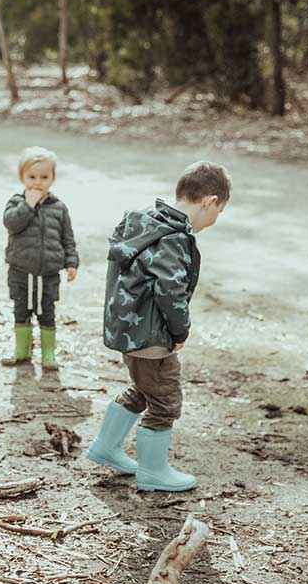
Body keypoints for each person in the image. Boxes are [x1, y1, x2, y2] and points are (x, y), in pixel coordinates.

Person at [86, 161, 231, 493]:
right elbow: (170, 290)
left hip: (128, 331)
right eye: (218, 212)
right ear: (209, 202)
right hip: (152, 333)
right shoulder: (174, 238)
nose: (214, 221)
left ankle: (106, 448)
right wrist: (181, 330)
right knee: (165, 399)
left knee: (144, 388)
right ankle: (153, 471)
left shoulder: (142, 223)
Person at [1, 147, 78, 370]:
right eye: (32, 177)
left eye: (44, 177)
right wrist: (28, 205)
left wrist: (72, 262)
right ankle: (21, 350)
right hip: (21, 271)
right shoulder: (16, 202)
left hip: (49, 273)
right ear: (22, 177)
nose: (38, 182)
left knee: (47, 311)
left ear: (52, 178)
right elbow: (11, 223)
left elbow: (68, 238)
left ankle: (48, 353)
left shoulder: (59, 207)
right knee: (21, 310)